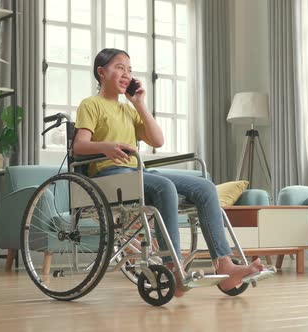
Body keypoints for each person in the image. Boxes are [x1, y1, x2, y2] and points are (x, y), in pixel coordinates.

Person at [73, 48, 264, 297]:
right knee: (165, 187)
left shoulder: (129, 110)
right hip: (108, 176)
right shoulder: (91, 104)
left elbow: (157, 140)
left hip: (135, 172)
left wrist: (139, 104)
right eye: (119, 67)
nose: (126, 74)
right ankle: (172, 266)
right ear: (101, 72)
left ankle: (225, 265)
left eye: (130, 70)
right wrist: (106, 147)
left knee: (205, 186)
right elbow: (79, 145)